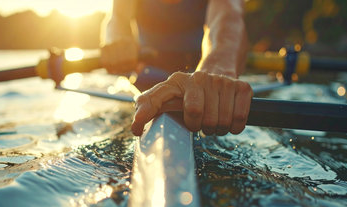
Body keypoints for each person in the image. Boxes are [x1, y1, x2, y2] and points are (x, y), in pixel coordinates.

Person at [100, 0, 253, 136]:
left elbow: (228, 19)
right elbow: (117, 19)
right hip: (148, 75)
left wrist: (215, 74)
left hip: (197, 75)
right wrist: (117, 43)